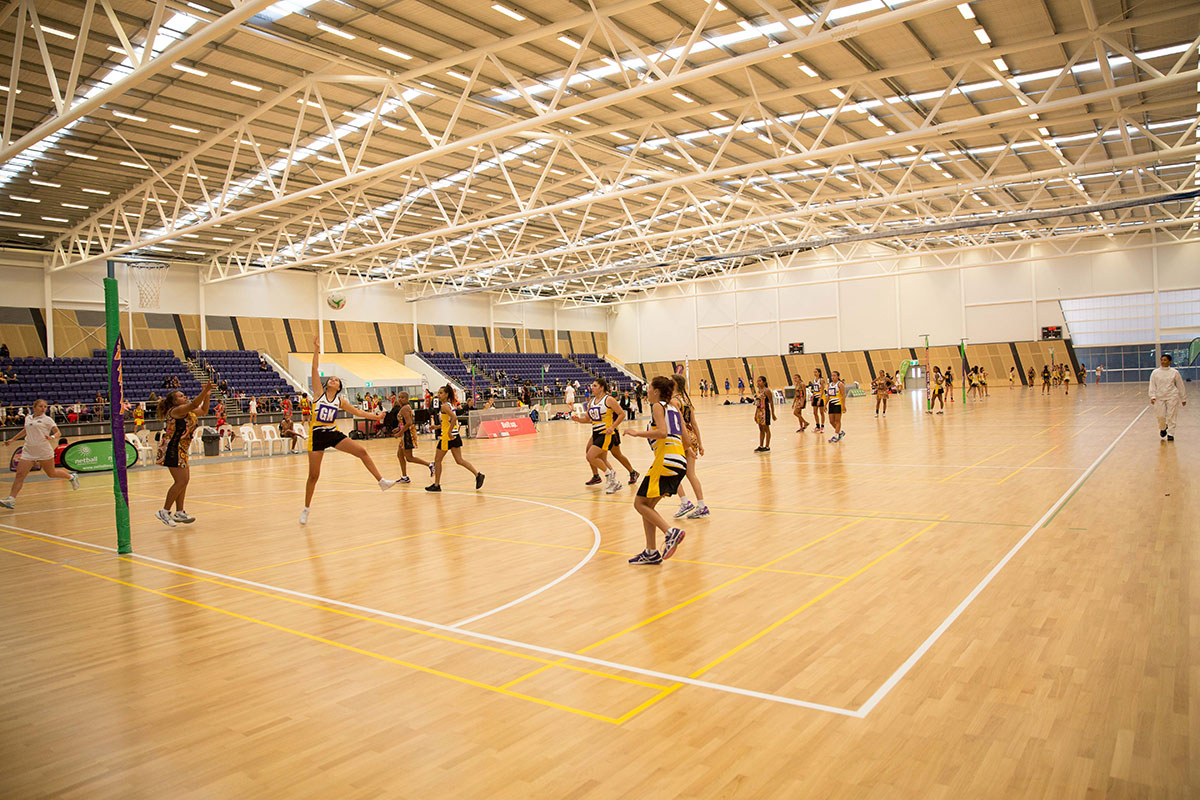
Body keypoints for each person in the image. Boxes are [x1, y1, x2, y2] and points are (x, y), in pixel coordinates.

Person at [301, 337, 396, 524]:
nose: (332, 380)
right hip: (317, 435)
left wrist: (375, 417)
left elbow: (358, 411)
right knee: (314, 476)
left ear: (339, 387)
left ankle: (381, 481)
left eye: (336, 380)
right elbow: (314, 370)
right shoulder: (318, 393)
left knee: (362, 451)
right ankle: (306, 508)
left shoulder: (340, 401)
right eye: (331, 378)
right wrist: (316, 350)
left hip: (332, 433)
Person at [623, 376, 690, 565]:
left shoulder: (658, 407)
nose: (647, 390)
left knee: (639, 504)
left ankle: (671, 532)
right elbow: (686, 440)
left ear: (657, 391)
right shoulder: (674, 409)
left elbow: (662, 432)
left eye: (649, 387)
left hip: (666, 461)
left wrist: (637, 433)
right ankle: (651, 552)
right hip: (679, 462)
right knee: (647, 507)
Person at [153, 382, 214, 527]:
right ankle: (164, 511)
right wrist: (204, 389)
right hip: (172, 448)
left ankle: (179, 512)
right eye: (180, 396)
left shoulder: (187, 411)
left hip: (181, 449)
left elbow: (204, 411)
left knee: (184, 481)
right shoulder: (177, 410)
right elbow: (193, 404)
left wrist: (207, 395)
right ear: (174, 402)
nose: (184, 396)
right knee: (180, 481)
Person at [1, 399, 80, 509]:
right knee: (20, 475)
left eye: (45, 407)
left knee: (51, 473)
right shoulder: (28, 418)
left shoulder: (47, 420)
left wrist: (51, 437)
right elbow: (25, 430)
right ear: (34, 407)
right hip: (28, 451)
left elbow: (58, 432)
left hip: (44, 451)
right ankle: (11, 499)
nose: (43, 409)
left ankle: (71, 476)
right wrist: (12, 440)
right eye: (40, 406)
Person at [574, 378, 633, 494]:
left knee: (591, 456)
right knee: (599, 458)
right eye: (592, 385)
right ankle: (612, 480)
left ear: (601, 387)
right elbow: (587, 419)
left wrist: (612, 427)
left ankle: (611, 476)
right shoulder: (591, 402)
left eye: (595, 385)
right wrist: (578, 420)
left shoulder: (609, 399)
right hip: (595, 433)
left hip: (605, 433)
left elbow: (622, 414)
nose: (592, 387)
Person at [426, 384, 484, 492]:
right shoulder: (449, 405)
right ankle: (478, 475)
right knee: (459, 460)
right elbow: (448, 421)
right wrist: (437, 426)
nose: (438, 395)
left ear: (447, 394)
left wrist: (448, 432)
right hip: (455, 435)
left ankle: (437, 485)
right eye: (438, 393)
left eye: (441, 393)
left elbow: (454, 418)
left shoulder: (444, 406)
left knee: (437, 460)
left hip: (447, 437)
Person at [670, 374, 709, 520]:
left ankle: (684, 502)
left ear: (674, 384)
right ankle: (701, 505)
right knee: (690, 473)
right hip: (691, 436)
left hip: (682, 438)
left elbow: (680, 424)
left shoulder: (674, 401)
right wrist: (699, 442)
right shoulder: (686, 400)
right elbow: (694, 423)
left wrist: (687, 445)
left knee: (673, 472)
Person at [395, 392, 432, 483]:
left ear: (407, 399)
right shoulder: (406, 407)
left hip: (407, 434)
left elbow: (409, 423)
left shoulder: (404, 408)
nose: (400, 399)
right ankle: (404, 477)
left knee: (409, 458)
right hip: (406, 433)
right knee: (400, 455)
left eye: (402, 397)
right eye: (399, 397)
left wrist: (400, 432)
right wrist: (398, 428)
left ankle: (430, 465)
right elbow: (405, 422)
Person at [1149, 353, 1187, 441]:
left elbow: (1180, 385)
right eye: (1162, 360)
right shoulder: (1155, 372)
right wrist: (1152, 396)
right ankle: (1163, 428)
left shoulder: (1174, 372)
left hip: (1172, 396)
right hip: (1159, 397)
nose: (1163, 362)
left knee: (1171, 415)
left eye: (1165, 360)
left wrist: (1183, 398)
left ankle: (1171, 434)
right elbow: (1152, 385)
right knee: (1160, 416)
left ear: (1169, 362)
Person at [753, 375, 775, 452]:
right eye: (757, 381)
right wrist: (756, 414)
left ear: (764, 382)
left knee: (766, 428)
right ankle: (761, 445)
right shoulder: (758, 391)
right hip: (759, 411)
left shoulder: (767, 391)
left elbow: (771, 403)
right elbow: (757, 403)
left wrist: (773, 414)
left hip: (765, 411)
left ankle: (767, 446)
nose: (758, 382)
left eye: (760, 381)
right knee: (760, 429)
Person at [826, 371, 848, 441]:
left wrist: (843, 405)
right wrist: (825, 404)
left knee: (837, 420)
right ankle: (840, 432)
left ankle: (836, 436)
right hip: (831, 404)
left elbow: (843, 395)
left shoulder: (840, 384)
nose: (833, 377)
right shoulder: (830, 385)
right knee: (831, 421)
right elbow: (828, 395)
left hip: (838, 404)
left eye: (834, 376)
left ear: (838, 376)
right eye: (832, 376)